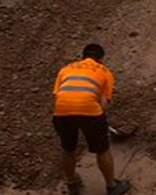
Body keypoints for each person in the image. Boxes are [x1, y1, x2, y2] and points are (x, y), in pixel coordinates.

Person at [52, 44, 130, 195]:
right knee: (102, 150)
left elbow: (58, 95)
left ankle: (71, 182)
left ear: (83, 57)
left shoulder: (66, 69)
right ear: (101, 59)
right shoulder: (104, 72)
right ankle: (112, 186)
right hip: (90, 112)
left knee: (68, 149)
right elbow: (104, 104)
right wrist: (99, 120)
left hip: (62, 112)